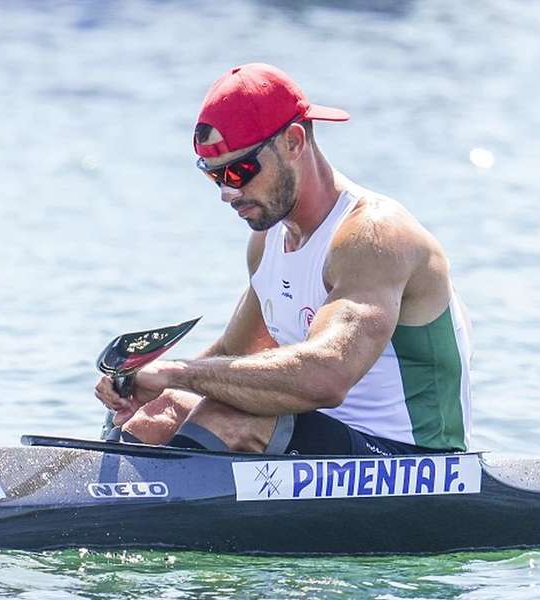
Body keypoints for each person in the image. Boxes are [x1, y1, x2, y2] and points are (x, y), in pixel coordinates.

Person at [95, 63, 472, 456]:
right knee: (163, 411)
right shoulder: (268, 239)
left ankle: (145, 506)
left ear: (293, 142)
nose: (227, 193)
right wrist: (147, 387)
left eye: (239, 171)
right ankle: (103, 499)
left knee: (229, 415)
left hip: (410, 464)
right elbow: (234, 356)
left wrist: (176, 372)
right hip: (323, 447)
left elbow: (328, 375)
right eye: (215, 176)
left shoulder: (373, 237)